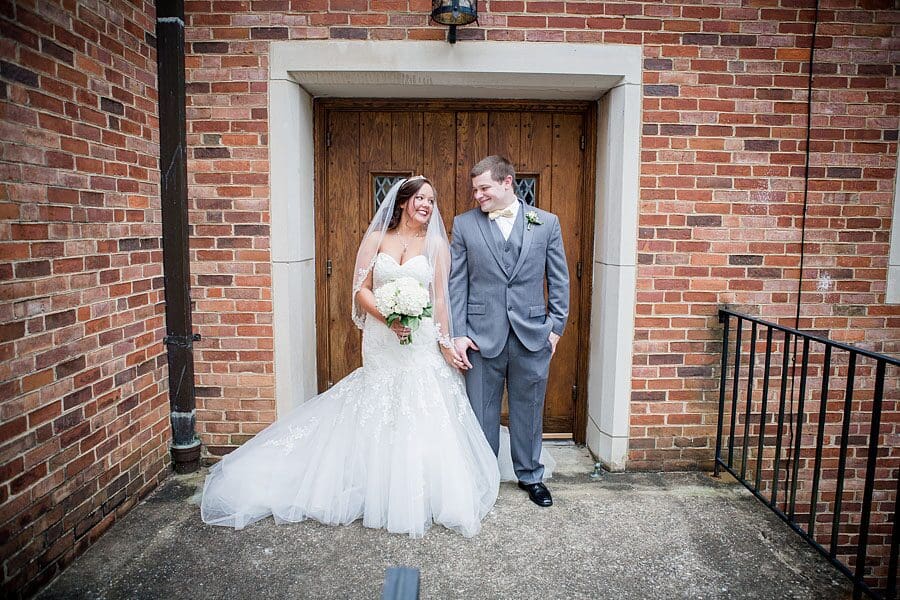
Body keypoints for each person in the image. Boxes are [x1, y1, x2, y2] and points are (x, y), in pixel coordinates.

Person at [201, 177, 500, 538]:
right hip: (381, 337)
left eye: (432, 200)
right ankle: (371, 484)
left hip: (418, 339)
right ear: (404, 202)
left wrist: (444, 342)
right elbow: (361, 289)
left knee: (423, 403)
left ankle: (417, 490)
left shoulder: (437, 244)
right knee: (379, 401)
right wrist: (388, 317)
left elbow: (439, 299)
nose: (427, 205)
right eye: (420, 198)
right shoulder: (377, 239)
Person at [449, 156, 570, 508]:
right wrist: (459, 333)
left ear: (507, 182)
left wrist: (556, 327)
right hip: (481, 335)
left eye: (484, 188)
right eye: (474, 190)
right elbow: (457, 283)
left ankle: (531, 475)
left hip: (533, 334)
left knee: (529, 408)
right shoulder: (464, 225)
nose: (478, 196)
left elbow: (558, 278)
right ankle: (483, 479)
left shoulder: (546, 223)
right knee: (482, 411)